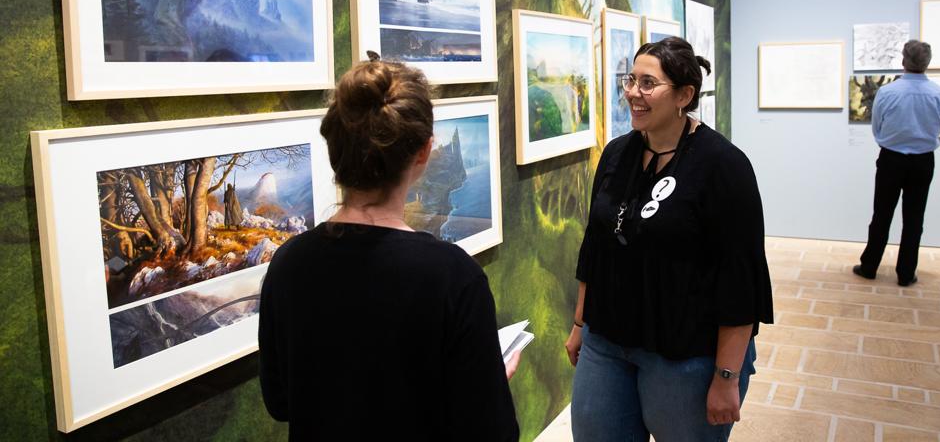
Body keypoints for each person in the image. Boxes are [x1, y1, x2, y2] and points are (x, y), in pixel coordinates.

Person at [259, 54, 520, 440]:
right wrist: (488, 381)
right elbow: (492, 432)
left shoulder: (288, 263)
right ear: (423, 153)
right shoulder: (452, 277)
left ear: (336, 149)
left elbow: (280, 401)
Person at [565, 37, 773, 441]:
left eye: (647, 83)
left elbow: (740, 280)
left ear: (684, 95)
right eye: (631, 80)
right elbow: (596, 247)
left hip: (685, 354)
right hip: (606, 340)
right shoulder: (616, 155)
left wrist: (727, 377)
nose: (632, 93)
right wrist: (579, 323)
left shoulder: (723, 166)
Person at [854, 40, 940, 287]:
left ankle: (870, 265)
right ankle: (906, 273)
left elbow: (877, 127)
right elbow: (939, 126)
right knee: (915, 218)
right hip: (923, 160)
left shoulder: (888, 92)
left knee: (881, 214)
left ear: (903, 61)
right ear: (927, 63)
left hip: (891, 159)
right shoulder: (939, 93)